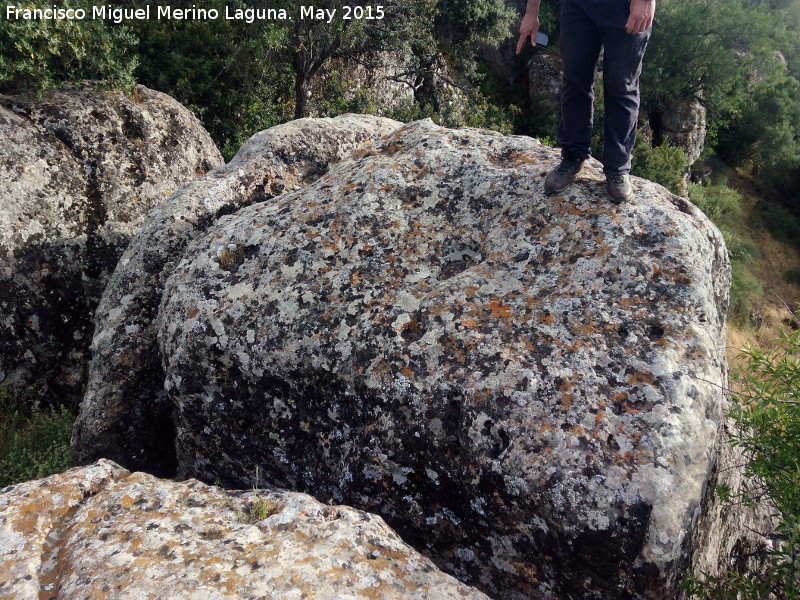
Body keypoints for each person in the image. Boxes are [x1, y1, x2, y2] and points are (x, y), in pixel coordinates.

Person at [517, 0, 655, 202]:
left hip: (625, 6)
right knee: (574, 80)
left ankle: (617, 168)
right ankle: (573, 155)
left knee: (621, 86)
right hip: (578, 6)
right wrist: (531, 12)